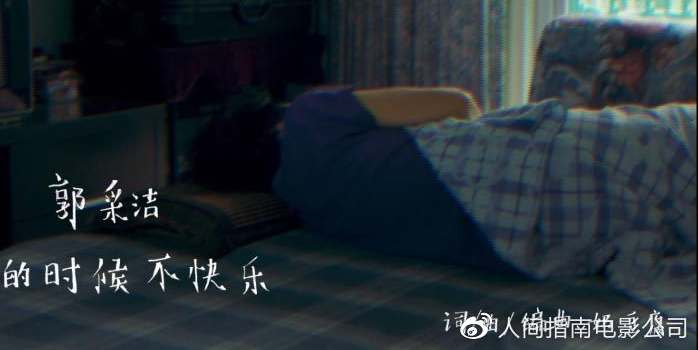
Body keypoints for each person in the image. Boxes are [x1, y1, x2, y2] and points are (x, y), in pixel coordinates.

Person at [187, 85, 696, 312]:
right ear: (268, 119)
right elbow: (457, 103)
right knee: (671, 134)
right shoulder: (309, 115)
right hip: (557, 164)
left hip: (542, 243)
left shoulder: (310, 211)